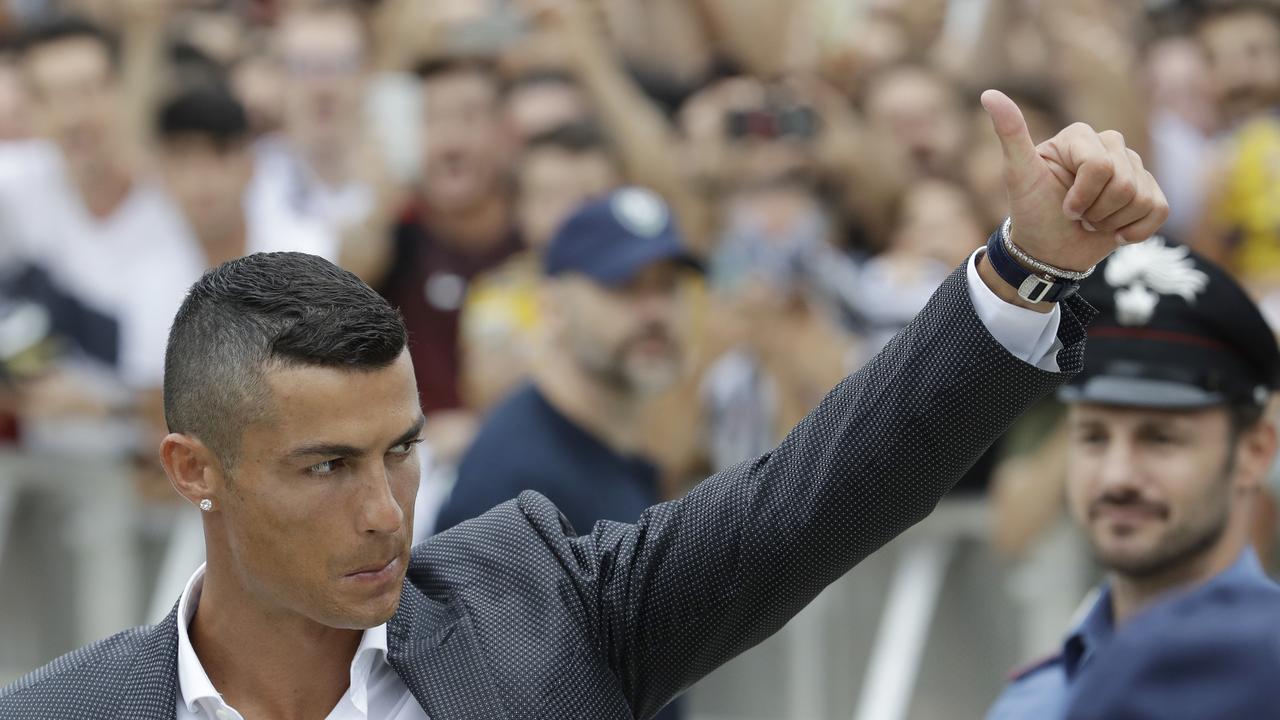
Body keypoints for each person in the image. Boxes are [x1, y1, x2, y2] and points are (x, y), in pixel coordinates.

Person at [0, 91, 1168, 720]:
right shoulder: (66, 717)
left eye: (401, 450)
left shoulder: (543, 608)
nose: (383, 511)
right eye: (324, 467)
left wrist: (1023, 271)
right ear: (191, 469)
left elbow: (808, 500)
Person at [984, 237, 1280, 720]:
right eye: (1093, 437)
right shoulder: (1035, 702)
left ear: (1254, 451)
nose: (1118, 476)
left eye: (1161, 439)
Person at [437, 187, 697, 537]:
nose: (655, 312)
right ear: (553, 307)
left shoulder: (609, 450)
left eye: (667, 287)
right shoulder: (518, 487)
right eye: (624, 285)